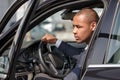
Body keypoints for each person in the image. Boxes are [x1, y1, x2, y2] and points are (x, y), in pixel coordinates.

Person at [41, 8, 99, 80]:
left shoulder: (94, 53)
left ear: (93, 26)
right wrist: (55, 41)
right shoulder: (96, 45)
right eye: (73, 26)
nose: (74, 31)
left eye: (78, 27)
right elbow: (80, 54)